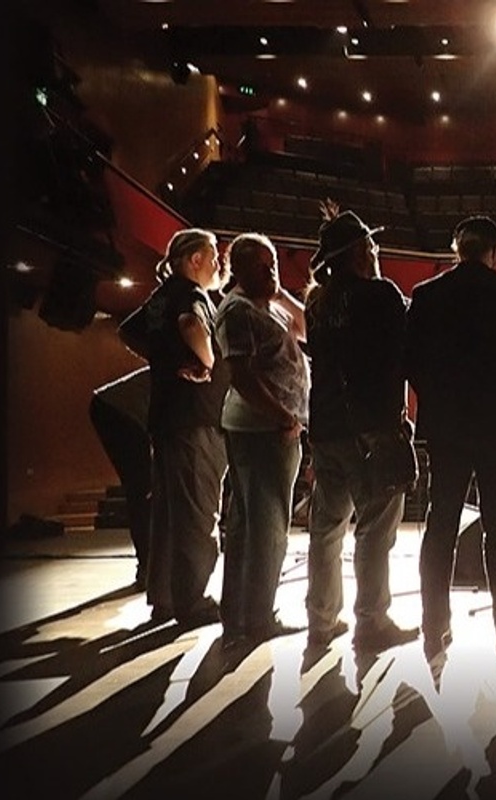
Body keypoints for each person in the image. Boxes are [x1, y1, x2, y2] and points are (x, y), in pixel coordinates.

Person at [405, 216, 496, 663]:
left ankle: (434, 625)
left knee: (440, 525)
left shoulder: (427, 296)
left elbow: (410, 361)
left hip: (446, 430)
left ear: (455, 251)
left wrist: (436, 402)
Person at [302, 203, 420, 653]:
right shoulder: (381, 295)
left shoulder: (318, 302)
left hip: (326, 425)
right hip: (370, 428)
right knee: (375, 527)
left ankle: (321, 619)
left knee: (327, 526)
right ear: (358, 255)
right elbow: (405, 350)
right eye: (371, 245)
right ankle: (371, 621)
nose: (376, 250)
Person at [117, 228, 232, 627]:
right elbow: (190, 325)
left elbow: (127, 331)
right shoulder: (190, 294)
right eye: (213, 255)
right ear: (194, 259)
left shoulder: (158, 297)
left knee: (167, 513)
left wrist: (163, 361)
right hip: (195, 416)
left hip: (165, 418)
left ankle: (164, 597)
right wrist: (209, 363)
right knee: (198, 513)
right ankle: (193, 600)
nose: (219, 264)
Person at [213, 232, 309, 648]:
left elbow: (307, 326)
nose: (271, 272)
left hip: (271, 427)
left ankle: (240, 612)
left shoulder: (268, 305)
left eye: (274, 265)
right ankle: (257, 616)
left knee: (249, 525)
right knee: (265, 528)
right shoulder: (236, 310)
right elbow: (243, 375)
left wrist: (281, 292)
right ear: (238, 269)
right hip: (262, 429)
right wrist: (284, 416)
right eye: (263, 266)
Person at [89, 366, 152, 590]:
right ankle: (147, 567)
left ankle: (148, 566)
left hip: (111, 407)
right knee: (143, 491)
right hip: (117, 412)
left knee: (143, 490)